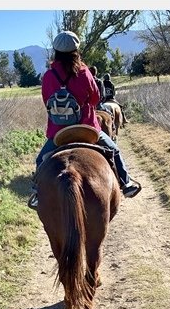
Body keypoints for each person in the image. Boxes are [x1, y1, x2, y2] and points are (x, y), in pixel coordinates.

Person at [29, 30, 141, 208]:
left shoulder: (48, 76)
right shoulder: (84, 72)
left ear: (56, 51)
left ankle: (37, 194)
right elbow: (96, 99)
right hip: (87, 128)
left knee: (41, 160)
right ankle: (126, 184)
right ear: (76, 51)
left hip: (59, 133)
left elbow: (46, 102)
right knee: (114, 150)